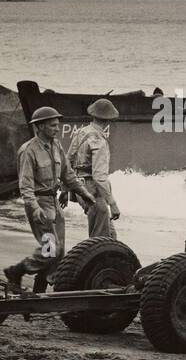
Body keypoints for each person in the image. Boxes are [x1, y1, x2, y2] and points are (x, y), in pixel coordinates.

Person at [3, 107, 95, 293]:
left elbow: (68, 175)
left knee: (58, 252)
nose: (57, 128)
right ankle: (17, 271)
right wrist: (35, 209)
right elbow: (25, 187)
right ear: (40, 126)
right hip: (40, 204)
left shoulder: (56, 146)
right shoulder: (28, 151)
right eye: (53, 125)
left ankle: (39, 288)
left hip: (54, 202)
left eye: (57, 124)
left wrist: (85, 193)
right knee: (51, 248)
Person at [66, 98, 121, 239]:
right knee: (99, 241)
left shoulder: (81, 132)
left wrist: (65, 189)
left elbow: (68, 161)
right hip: (93, 192)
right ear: (109, 120)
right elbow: (99, 177)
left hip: (80, 189)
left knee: (111, 237)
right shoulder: (99, 141)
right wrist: (112, 204)